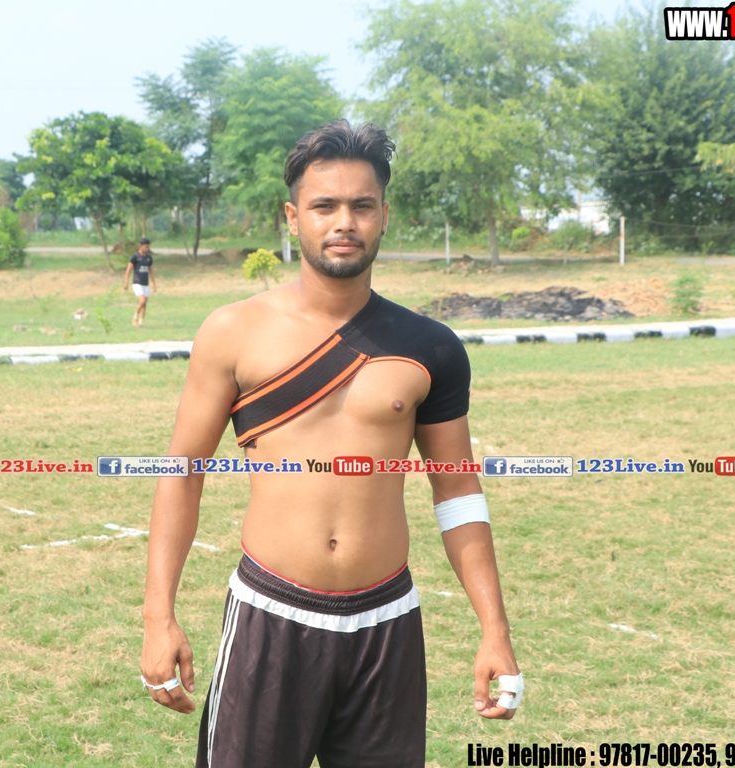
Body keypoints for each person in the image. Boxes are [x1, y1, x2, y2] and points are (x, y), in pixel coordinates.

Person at [140, 120, 521, 768]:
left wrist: (495, 631)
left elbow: (458, 490)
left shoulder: (430, 347)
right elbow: (182, 473)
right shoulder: (233, 332)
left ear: (384, 216)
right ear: (293, 218)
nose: (344, 222)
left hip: (386, 625)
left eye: (362, 205)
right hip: (269, 617)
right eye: (324, 206)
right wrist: (158, 617)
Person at [124, 238, 156, 327]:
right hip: (137, 283)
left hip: (146, 283)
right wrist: (126, 281)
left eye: (148, 247)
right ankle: (135, 318)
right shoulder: (135, 257)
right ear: (141, 246)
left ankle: (141, 322)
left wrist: (154, 283)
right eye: (145, 247)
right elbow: (128, 269)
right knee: (142, 301)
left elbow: (151, 271)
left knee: (144, 304)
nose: (147, 249)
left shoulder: (149, 258)